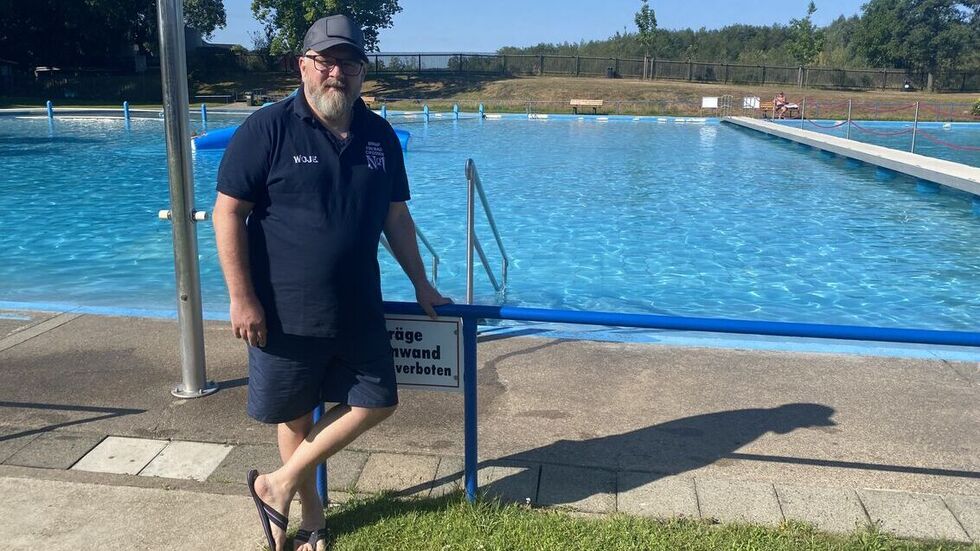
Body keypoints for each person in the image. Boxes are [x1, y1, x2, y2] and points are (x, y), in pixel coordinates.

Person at [212, 14, 450, 551]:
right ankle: (312, 520)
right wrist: (241, 297)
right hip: (282, 309)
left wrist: (421, 283)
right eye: (325, 61)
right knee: (295, 417)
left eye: (349, 62)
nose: (336, 72)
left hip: (357, 304)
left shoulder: (380, 135)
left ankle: (276, 484)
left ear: (363, 71)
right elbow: (228, 213)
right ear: (304, 66)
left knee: (378, 400)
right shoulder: (268, 128)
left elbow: (396, 217)